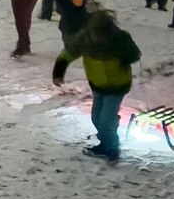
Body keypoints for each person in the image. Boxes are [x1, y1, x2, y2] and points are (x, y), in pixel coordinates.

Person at [53, 8, 141, 162]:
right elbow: (68, 53)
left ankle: (112, 148)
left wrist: (126, 58)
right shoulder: (85, 39)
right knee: (96, 117)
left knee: (106, 118)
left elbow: (134, 54)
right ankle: (105, 140)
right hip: (98, 84)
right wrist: (59, 71)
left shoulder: (120, 39)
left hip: (117, 86)